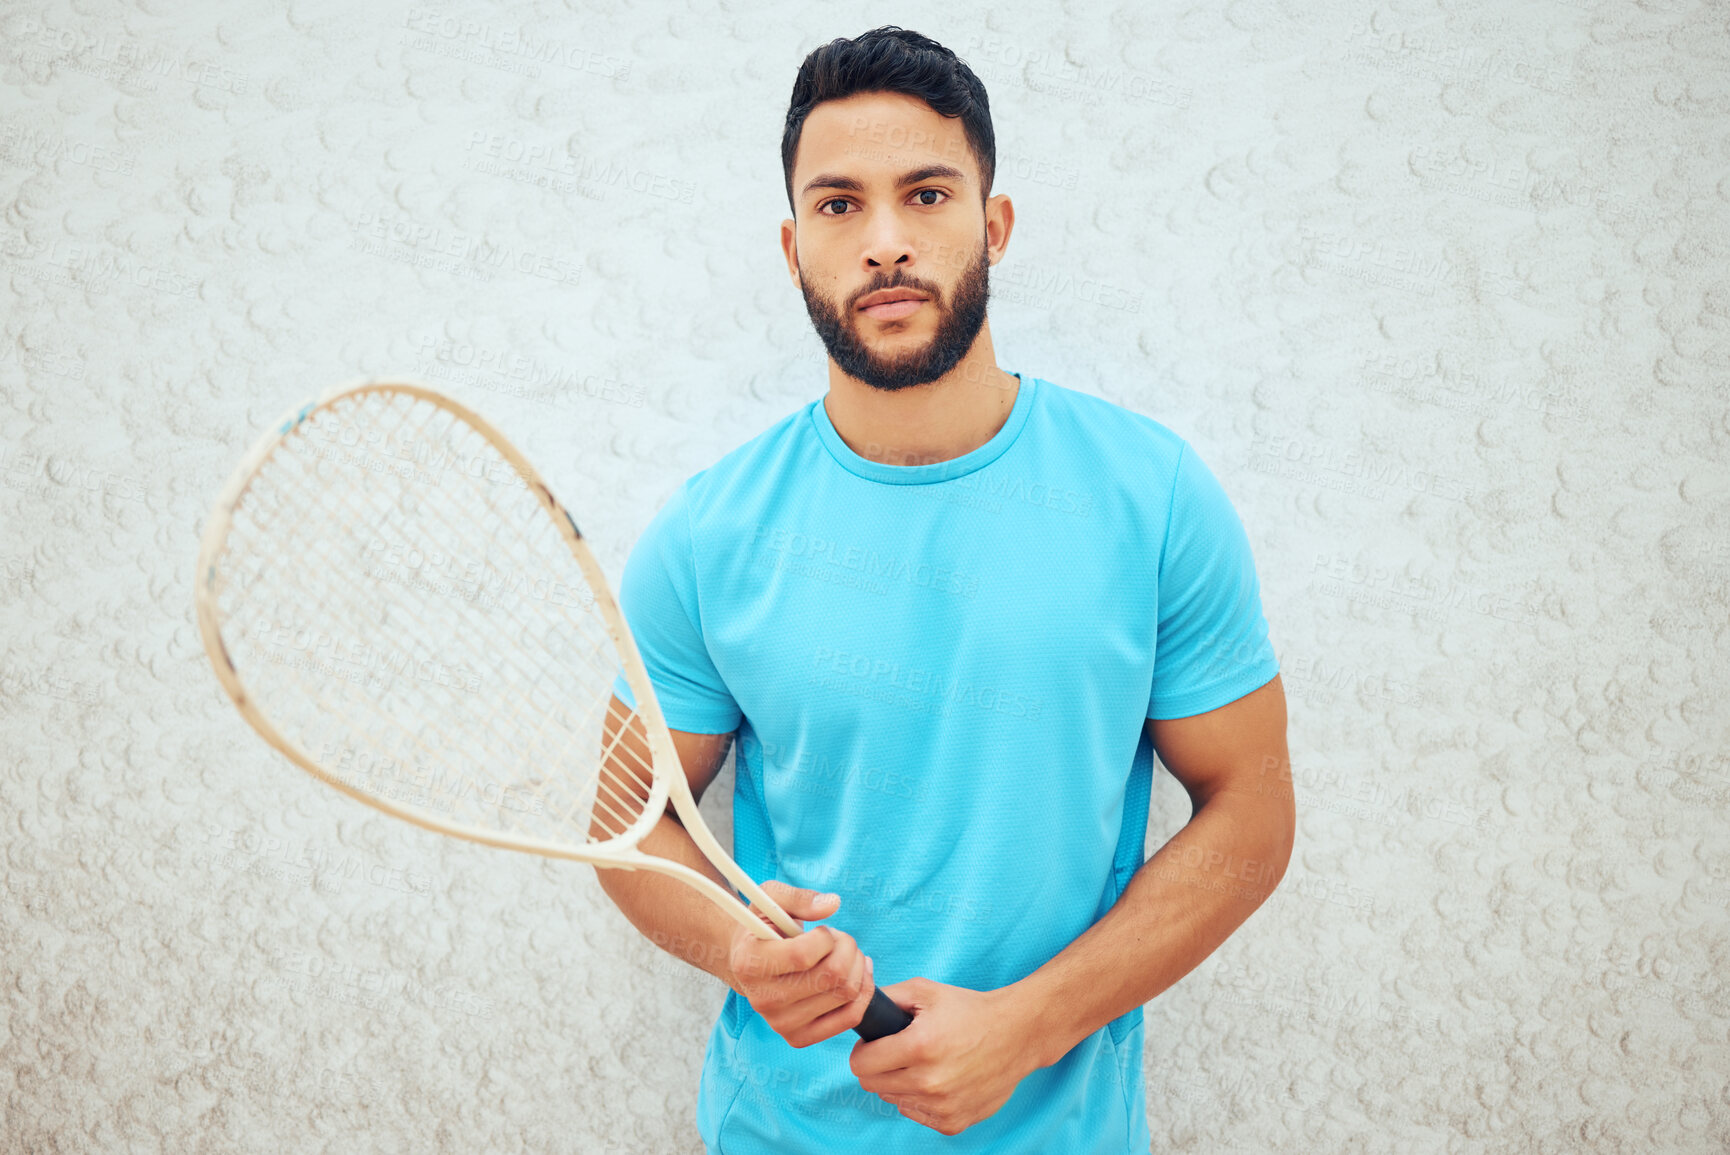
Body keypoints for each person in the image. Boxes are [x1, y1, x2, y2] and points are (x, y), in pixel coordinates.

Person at [600, 25, 1295, 1153]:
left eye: (925, 194)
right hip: (782, 1132)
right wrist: (739, 947)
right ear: (789, 248)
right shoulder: (705, 536)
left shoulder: (1149, 496)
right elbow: (626, 827)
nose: (883, 242)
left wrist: (1028, 1026)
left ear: (994, 223)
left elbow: (1251, 814)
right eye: (837, 206)